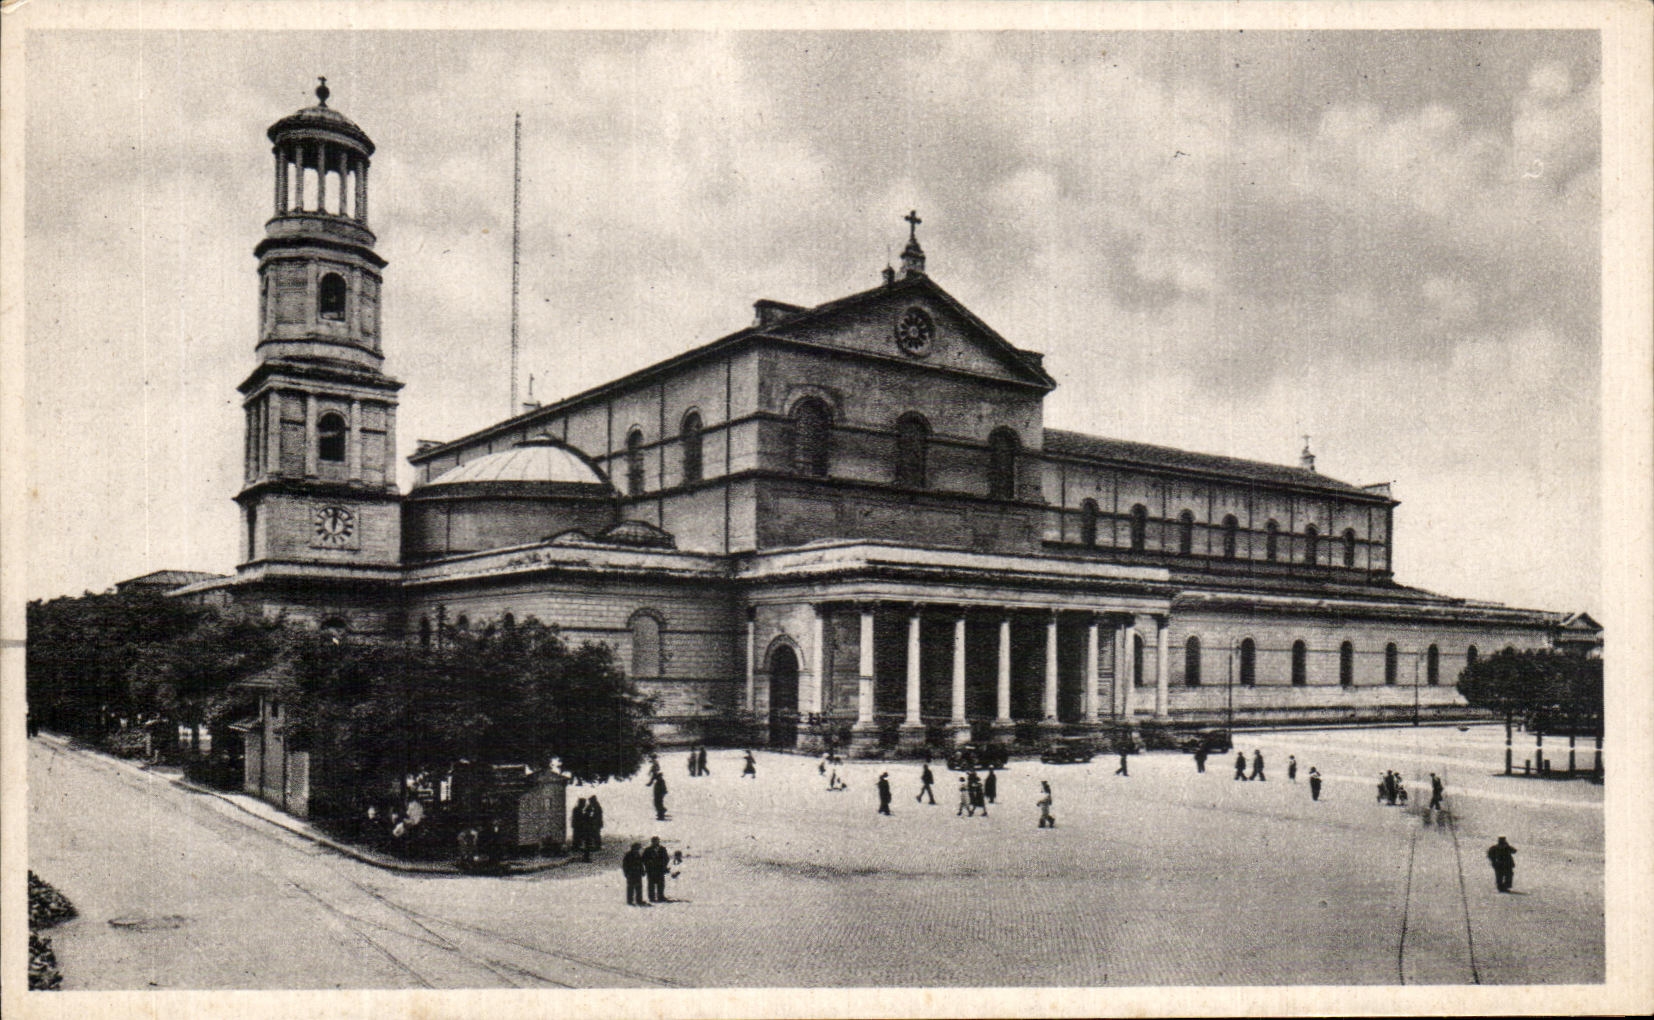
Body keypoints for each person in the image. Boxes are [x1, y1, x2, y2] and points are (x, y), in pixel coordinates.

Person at [642, 835, 671, 902]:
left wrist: (663, 865)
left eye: (657, 841)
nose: (656, 842)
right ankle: (651, 897)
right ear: (652, 842)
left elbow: (666, 858)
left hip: (660, 869)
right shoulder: (647, 850)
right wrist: (649, 864)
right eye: (654, 841)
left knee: (661, 884)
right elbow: (644, 859)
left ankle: (661, 896)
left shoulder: (662, 849)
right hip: (651, 870)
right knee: (651, 884)